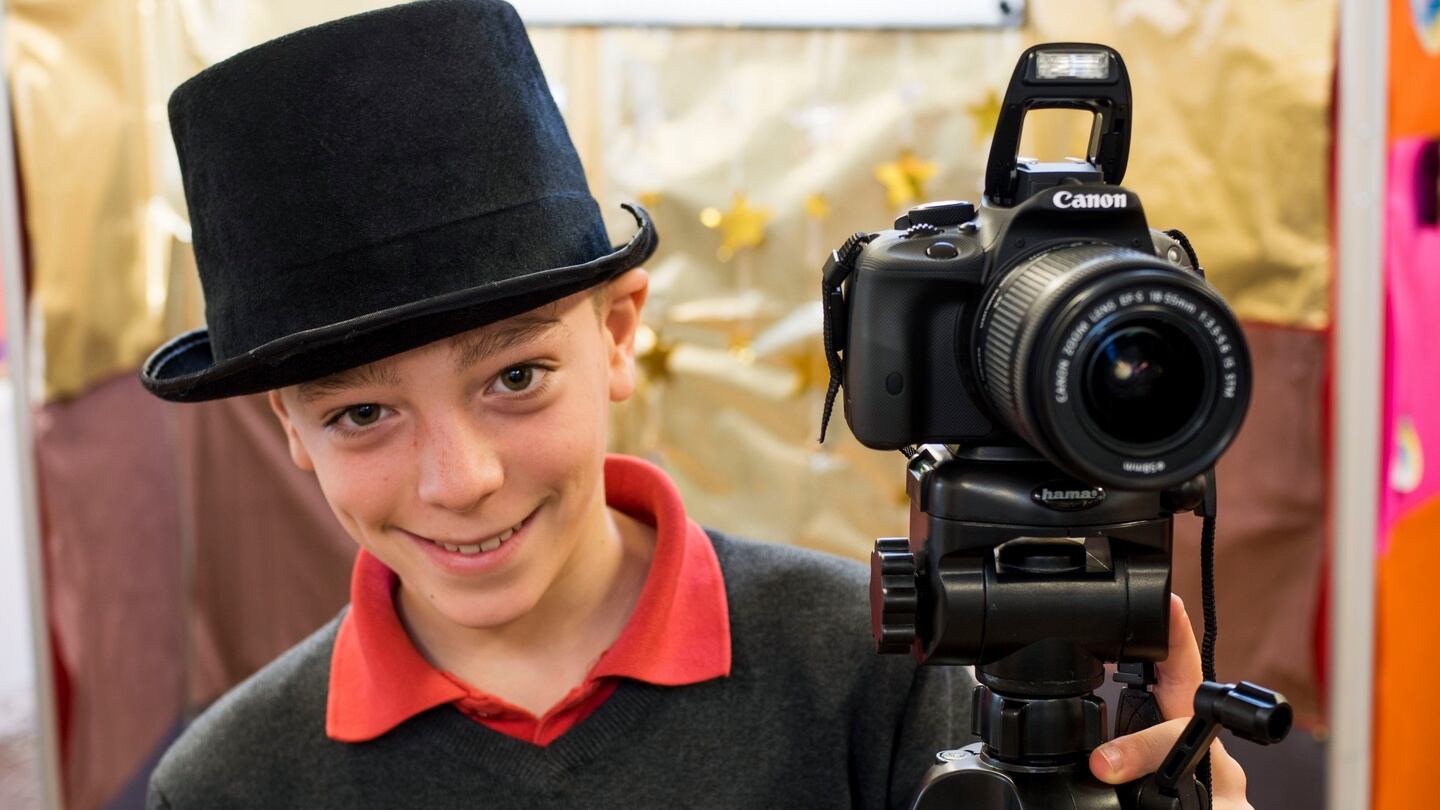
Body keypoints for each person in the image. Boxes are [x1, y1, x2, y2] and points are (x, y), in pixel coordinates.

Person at [139, 1, 1253, 808]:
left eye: (514, 378)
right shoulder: (231, 783)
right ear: (286, 424)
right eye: (361, 416)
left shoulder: (883, 679)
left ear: (619, 330)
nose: (462, 479)